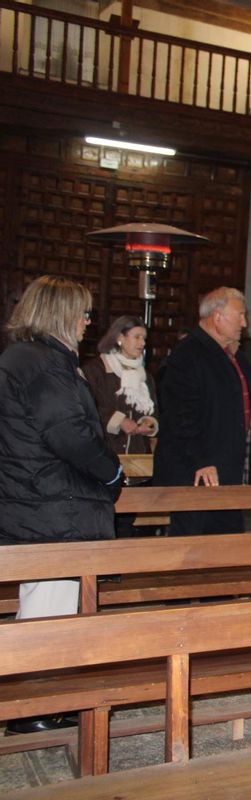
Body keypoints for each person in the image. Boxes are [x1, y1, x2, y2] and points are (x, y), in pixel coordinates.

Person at [0, 276, 123, 734]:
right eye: (84, 312)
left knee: (57, 604)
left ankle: (53, 697)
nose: (88, 321)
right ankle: (29, 706)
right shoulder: (40, 364)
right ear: (61, 313)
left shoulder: (33, 360)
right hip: (51, 506)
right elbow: (69, 434)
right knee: (47, 609)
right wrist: (111, 472)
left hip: (48, 502)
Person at [154, 287, 251, 536]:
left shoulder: (233, 356)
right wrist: (202, 460)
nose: (244, 322)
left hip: (229, 467)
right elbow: (181, 415)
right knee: (194, 543)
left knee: (228, 542)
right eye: (240, 315)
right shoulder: (188, 354)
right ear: (217, 316)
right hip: (198, 470)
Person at [83, 315, 158, 537]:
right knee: (104, 520)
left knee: (127, 524)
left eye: (144, 338)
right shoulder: (96, 370)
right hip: (106, 457)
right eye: (136, 337)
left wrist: (149, 423)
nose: (142, 343)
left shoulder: (145, 376)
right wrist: (118, 421)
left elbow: (154, 410)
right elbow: (88, 408)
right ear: (119, 338)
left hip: (137, 462)